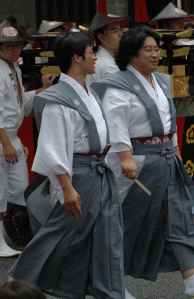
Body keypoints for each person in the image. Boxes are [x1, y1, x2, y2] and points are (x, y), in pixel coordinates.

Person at [91, 26, 194, 299]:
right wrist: (125, 156)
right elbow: (115, 122)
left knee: (181, 216)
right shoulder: (119, 85)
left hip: (165, 157)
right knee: (128, 224)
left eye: (156, 49)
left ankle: (192, 279)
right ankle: (113, 284)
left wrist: (175, 148)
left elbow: (170, 121)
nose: (155, 55)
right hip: (138, 162)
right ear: (132, 54)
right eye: (148, 50)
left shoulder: (162, 82)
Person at [10, 32, 125, 299]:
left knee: (105, 235)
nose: (94, 57)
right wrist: (66, 186)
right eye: (90, 52)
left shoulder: (88, 91)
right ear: (76, 57)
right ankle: (18, 285)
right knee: (60, 236)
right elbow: (53, 146)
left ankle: (101, 290)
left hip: (97, 171)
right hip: (78, 174)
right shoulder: (58, 99)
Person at [0, 22, 53, 257]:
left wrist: (41, 90)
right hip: (3, 138)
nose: (14, 50)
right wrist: (6, 143)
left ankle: (15, 234)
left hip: (11, 137)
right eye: (8, 47)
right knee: (0, 192)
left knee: (20, 189)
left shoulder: (15, 69)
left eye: (17, 46)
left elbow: (19, 106)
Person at [88, 13, 126, 84]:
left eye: (121, 30)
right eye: (115, 31)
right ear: (101, 37)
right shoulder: (108, 66)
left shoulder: (101, 58)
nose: (120, 34)